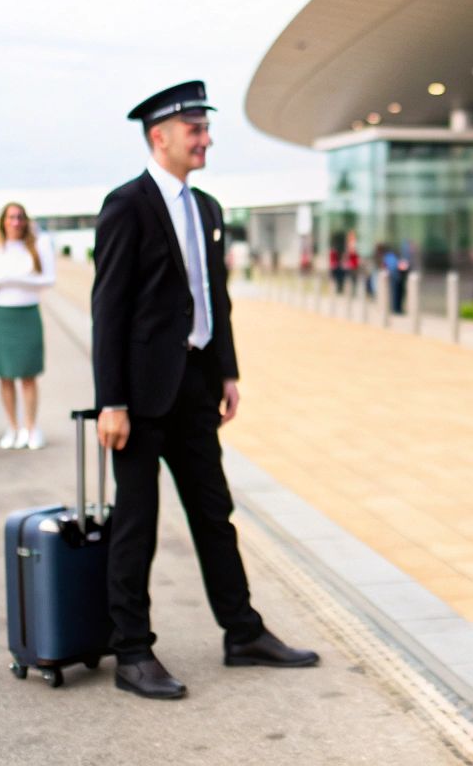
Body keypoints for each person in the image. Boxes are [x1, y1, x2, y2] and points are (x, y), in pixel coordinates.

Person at [92, 80, 318, 701]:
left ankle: (242, 633)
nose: (206, 138)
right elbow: (107, 310)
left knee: (214, 515)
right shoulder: (126, 205)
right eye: (195, 129)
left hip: (194, 387)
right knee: (137, 522)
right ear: (158, 136)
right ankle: (132, 651)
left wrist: (227, 371)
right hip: (138, 397)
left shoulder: (208, 208)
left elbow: (214, 297)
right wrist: (110, 400)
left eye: (206, 128)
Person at [0, 202, 55, 451]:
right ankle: (13, 427)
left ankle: (31, 427)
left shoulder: (38, 245)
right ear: (3, 221)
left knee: (28, 375)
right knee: (5, 376)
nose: (16, 222)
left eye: (20, 217)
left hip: (26, 314)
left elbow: (48, 280)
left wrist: (14, 279)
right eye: (11, 217)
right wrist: (0, 283)